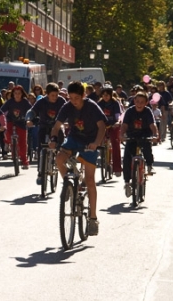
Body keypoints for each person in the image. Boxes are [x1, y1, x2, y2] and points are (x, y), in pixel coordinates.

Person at [49, 81, 107, 236]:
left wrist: (96, 143)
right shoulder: (67, 106)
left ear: (83, 95)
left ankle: (93, 218)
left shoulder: (92, 106)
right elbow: (57, 126)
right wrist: (53, 138)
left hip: (90, 142)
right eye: (71, 98)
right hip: (74, 138)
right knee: (59, 158)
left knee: (89, 180)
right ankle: (68, 184)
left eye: (76, 98)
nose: (73, 101)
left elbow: (102, 126)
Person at [26, 82, 66, 183]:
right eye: (52, 95)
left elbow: (69, 111)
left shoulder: (61, 101)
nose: (55, 97)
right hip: (44, 126)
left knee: (61, 143)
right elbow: (32, 111)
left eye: (56, 95)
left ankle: (58, 160)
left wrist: (69, 122)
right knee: (41, 148)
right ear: (47, 94)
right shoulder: (41, 102)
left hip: (57, 127)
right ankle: (40, 171)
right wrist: (29, 119)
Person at [120, 92, 158, 197]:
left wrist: (155, 134)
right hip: (132, 135)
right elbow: (124, 124)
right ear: (134, 101)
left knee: (147, 149)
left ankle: (150, 165)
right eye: (137, 101)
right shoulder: (130, 111)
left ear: (146, 103)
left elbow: (152, 124)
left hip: (145, 135)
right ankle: (127, 183)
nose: (139, 104)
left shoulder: (148, 111)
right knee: (127, 157)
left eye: (142, 102)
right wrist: (121, 134)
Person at [1, 85, 32, 169]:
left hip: (22, 122)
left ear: (22, 94)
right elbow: (1, 110)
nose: (17, 95)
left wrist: (30, 119)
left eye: (19, 93)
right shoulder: (10, 101)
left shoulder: (25, 102)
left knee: (23, 143)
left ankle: (24, 161)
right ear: (13, 94)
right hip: (11, 121)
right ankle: (7, 142)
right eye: (15, 93)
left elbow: (31, 111)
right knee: (7, 132)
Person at [97, 84, 123, 177]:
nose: (105, 97)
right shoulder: (99, 104)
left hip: (113, 125)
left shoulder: (115, 103)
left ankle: (117, 168)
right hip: (102, 126)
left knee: (115, 144)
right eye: (103, 95)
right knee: (97, 142)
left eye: (107, 95)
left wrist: (118, 122)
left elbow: (118, 115)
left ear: (111, 95)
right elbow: (95, 115)